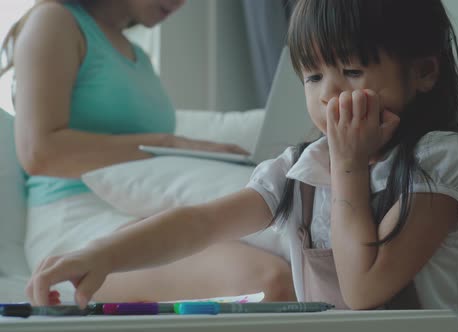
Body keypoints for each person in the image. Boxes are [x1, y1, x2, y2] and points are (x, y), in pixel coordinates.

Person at [27, 0, 458, 331]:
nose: (329, 94)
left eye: (351, 71)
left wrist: (347, 166)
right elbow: (200, 223)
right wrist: (104, 254)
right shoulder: (299, 168)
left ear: (424, 72)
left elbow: (366, 289)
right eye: (311, 75)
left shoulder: (439, 158)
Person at [1, 0, 295, 303]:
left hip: (135, 208)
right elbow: (39, 152)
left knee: (296, 265)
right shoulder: (54, 20)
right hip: (74, 220)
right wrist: (168, 144)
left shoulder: (137, 56)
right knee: (270, 279)